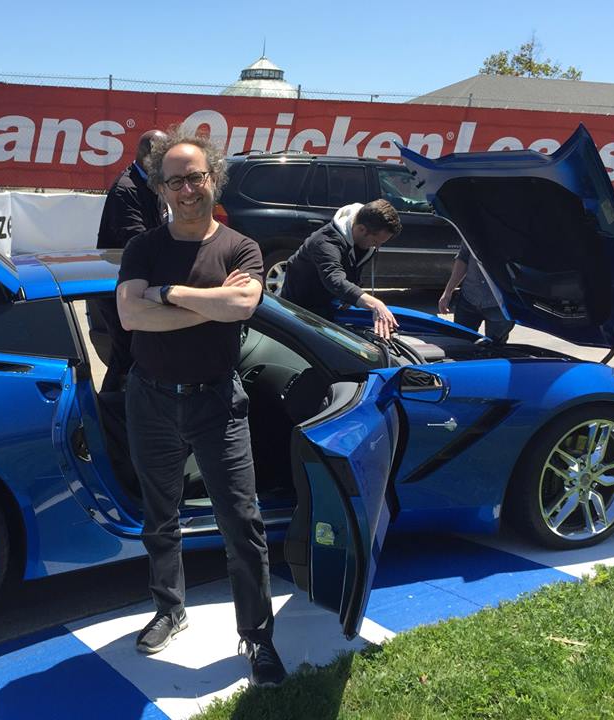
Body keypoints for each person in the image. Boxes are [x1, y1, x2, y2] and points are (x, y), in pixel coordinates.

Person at [115, 129, 286, 687]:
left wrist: (167, 293)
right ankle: (169, 609)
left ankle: (257, 636)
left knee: (242, 523)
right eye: (175, 181)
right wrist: (213, 305)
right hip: (151, 399)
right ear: (160, 188)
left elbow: (244, 303)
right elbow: (131, 317)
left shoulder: (240, 247)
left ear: (214, 177)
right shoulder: (144, 247)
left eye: (196, 177)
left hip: (217, 400)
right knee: (159, 516)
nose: (187, 189)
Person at [95, 129, 168, 392]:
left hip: (135, 281)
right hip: (117, 287)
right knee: (126, 355)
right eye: (163, 158)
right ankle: (109, 407)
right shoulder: (127, 189)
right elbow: (135, 241)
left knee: (128, 355)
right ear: (148, 156)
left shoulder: (151, 183)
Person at [279, 200, 403, 339]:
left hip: (328, 310)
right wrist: (375, 304)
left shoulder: (363, 242)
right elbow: (334, 279)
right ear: (361, 229)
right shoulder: (324, 242)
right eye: (375, 241)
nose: (377, 247)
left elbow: (352, 271)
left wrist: (350, 294)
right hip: (297, 314)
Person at [438, 241, 514, 344]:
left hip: (500, 305)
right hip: (469, 299)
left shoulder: (512, 234)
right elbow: (463, 258)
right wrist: (447, 293)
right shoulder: (472, 232)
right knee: (461, 345)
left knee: (495, 349)